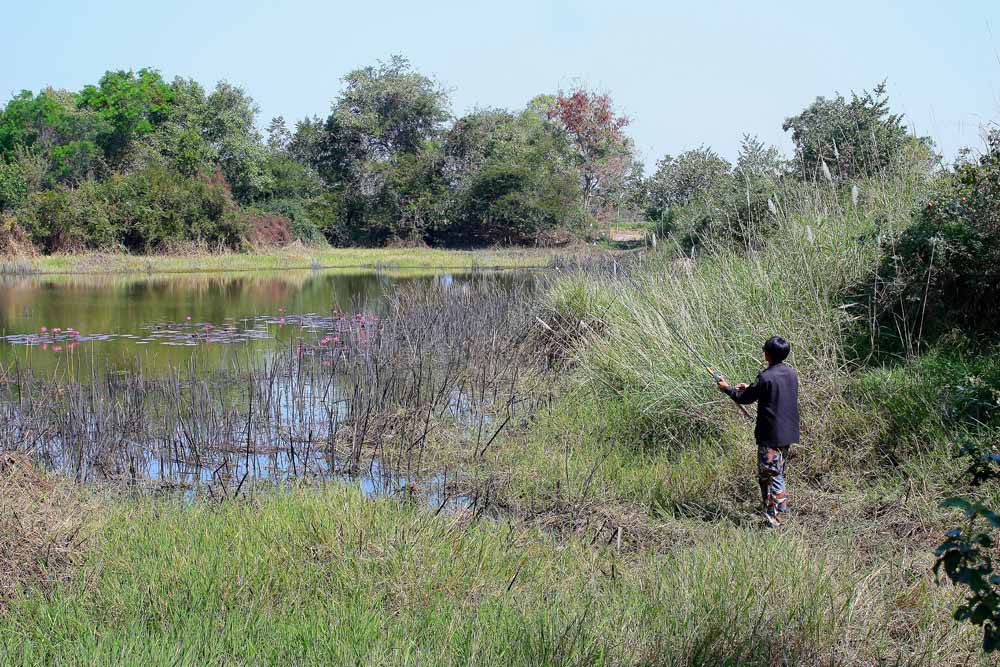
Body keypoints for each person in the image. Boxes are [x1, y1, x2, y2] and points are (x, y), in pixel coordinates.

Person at [716, 336, 799, 528]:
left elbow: (745, 399)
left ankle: (776, 522)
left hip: (771, 436)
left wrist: (726, 388)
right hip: (787, 433)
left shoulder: (766, 376)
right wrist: (751, 388)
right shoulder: (791, 373)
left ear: (767, 354)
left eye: (764, 351)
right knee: (772, 474)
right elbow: (767, 391)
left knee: (772, 476)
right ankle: (773, 514)